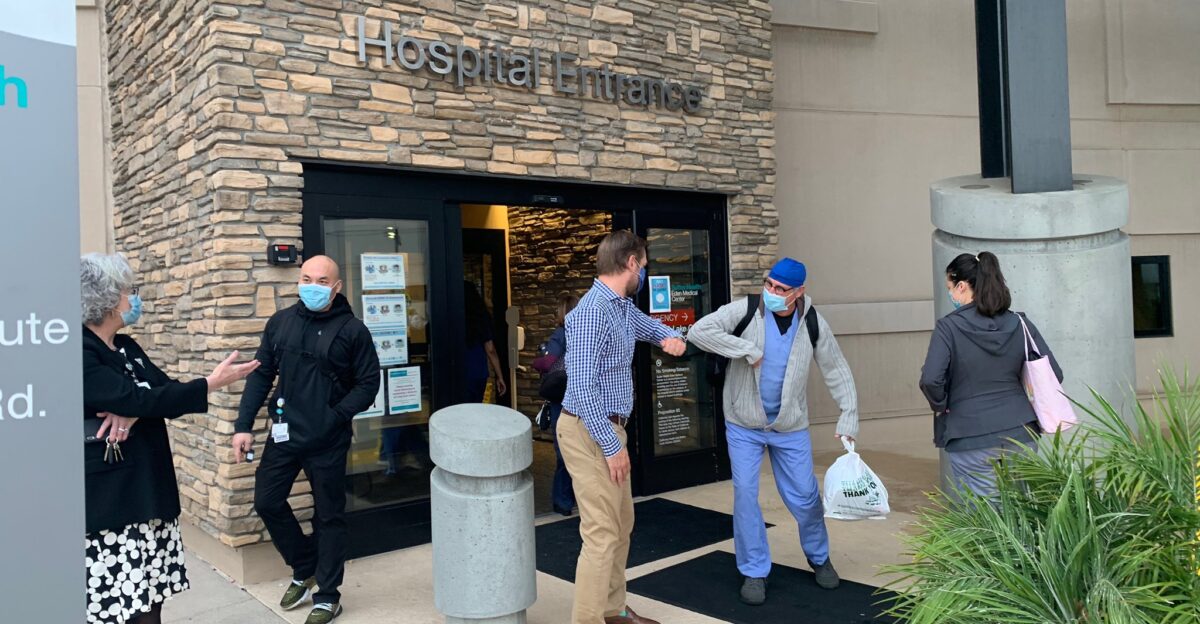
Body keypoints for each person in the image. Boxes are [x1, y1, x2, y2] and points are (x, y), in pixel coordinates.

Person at [81, 253, 260, 624]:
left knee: (151, 602)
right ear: (110, 296)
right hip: (114, 506)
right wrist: (207, 384)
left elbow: (164, 395)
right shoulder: (80, 352)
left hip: (151, 494)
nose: (134, 299)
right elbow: (141, 397)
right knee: (122, 610)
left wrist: (136, 408)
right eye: (130, 290)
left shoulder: (127, 347)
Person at [688, 257, 859, 606]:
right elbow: (699, 331)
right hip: (743, 424)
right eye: (769, 285)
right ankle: (754, 571)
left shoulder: (811, 321)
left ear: (799, 292)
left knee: (806, 497)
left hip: (789, 426)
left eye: (781, 289)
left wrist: (848, 416)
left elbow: (835, 367)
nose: (772, 293)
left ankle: (819, 557)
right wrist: (745, 349)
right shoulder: (748, 310)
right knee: (746, 496)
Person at [233, 255, 381, 624]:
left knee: (328, 516)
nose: (311, 286)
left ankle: (328, 596)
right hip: (284, 434)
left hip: (327, 439)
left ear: (336, 287)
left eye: (321, 280)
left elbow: (368, 385)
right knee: (267, 501)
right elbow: (261, 374)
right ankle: (304, 564)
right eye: (306, 278)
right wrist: (243, 425)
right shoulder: (280, 322)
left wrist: (335, 417)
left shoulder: (352, 330)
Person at [560, 230, 686, 624]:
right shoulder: (591, 313)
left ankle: (613, 611)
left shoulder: (621, 306)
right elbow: (581, 387)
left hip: (610, 430)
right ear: (630, 262)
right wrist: (612, 446)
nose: (644, 272)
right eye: (644, 265)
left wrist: (671, 337)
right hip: (588, 429)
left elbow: (648, 327)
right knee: (601, 533)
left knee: (621, 525)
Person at [919, 252, 1062, 500]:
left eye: (950, 288)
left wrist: (943, 404)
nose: (951, 295)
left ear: (962, 286)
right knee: (1022, 512)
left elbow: (931, 379)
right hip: (1021, 431)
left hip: (970, 433)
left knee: (985, 519)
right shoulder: (1020, 323)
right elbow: (1054, 374)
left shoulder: (948, 327)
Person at [532, 294, 580, 516]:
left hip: (561, 400)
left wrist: (536, 362)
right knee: (582, 451)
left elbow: (548, 362)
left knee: (564, 452)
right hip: (583, 397)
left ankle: (562, 500)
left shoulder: (560, 335)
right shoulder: (585, 333)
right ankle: (577, 497)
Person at [463, 280, 507, 403]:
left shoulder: (454, 316)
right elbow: (490, 349)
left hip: (459, 372)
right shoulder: (481, 317)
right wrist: (500, 376)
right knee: (476, 410)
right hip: (478, 371)